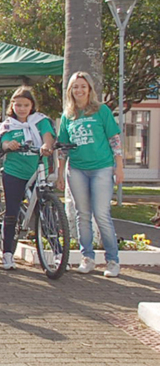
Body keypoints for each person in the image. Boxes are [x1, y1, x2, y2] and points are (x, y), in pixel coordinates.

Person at [54, 71, 122, 278]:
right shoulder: (68, 115)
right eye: (75, 87)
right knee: (82, 215)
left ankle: (112, 261)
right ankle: (88, 258)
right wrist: (59, 173)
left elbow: (114, 140)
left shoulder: (101, 111)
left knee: (101, 214)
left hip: (101, 168)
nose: (79, 90)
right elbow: (63, 147)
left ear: (90, 89)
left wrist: (119, 167)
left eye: (83, 86)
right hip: (77, 170)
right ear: (70, 91)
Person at [0, 86, 56, 270]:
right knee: (12, 212)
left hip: (38, 170)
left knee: (46, 214)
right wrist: (8, 144)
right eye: (18, 105)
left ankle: (58, 252)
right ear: (12, 106)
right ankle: (7, 254)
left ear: (32, 106)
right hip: (14, 172)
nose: (21, 108)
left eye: (26, 105)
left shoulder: (41, 121)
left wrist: (46, 145)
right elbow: (2, 142)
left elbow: (48, 137)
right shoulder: (7, 124)